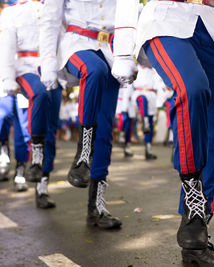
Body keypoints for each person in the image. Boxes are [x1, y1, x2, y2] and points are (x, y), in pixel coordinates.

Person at [113, 0, 214, 264]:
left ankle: (196, 240)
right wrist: (122, 51)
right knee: (191, 89)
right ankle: (194, 203)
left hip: (209, 24)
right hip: (165, 19)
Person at [39, 0, 139, 229]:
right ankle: (83, 154)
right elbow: (50, 20)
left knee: (105, 132)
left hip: (112, 52)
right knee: (94, 69)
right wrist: (47, 61)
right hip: (77, 44)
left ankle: (97, 207)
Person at [0, 0, 62, 208]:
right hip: (26, 68)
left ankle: (42, 186)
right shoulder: (14, 12)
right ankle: (30, 161)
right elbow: (7, 47)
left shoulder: (55, 6)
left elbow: (62, 40)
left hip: (52, 69)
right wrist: (8, 78)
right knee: (24, 127)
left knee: (51, 131)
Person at [116, 83, 136, 158]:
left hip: (130, 106)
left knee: (129, 128)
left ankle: (127, 147)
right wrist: (124, 108)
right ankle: (121, 136)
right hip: (120, 105)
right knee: (122, 123)